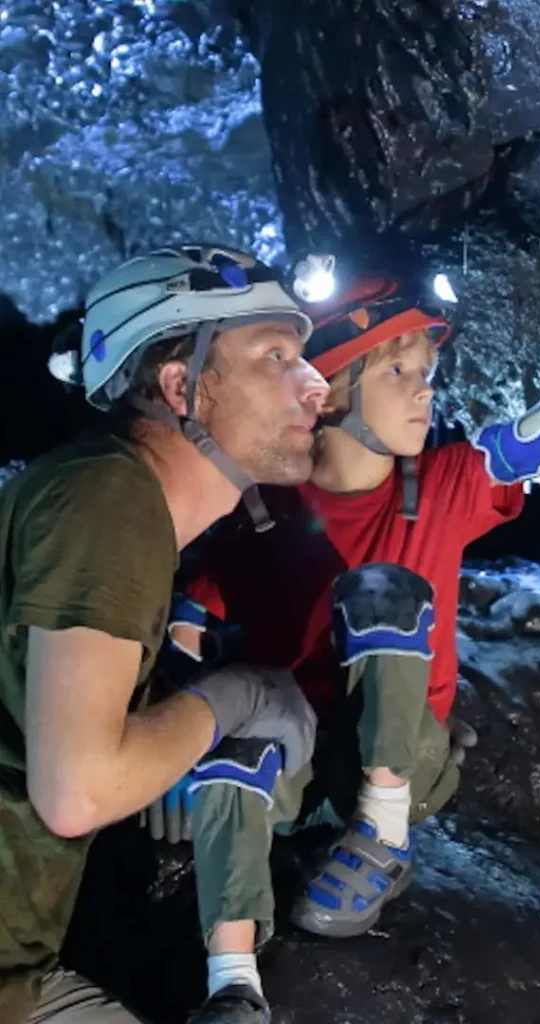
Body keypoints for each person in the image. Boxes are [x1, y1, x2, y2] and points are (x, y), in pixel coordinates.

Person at [166, 269, 540, 1021]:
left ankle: (382, 836)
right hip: (299, 759)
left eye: (428, 374)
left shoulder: (440, 486)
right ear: (334, 388)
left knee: (381, 589)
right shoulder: (267, 510)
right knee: (237, 739)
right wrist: (171, 735)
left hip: (400, 758)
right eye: (398, 371)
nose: (424, 391)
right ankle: (233, 986)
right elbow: (193, 606)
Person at [0, 244, 330, 1024]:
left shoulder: (110, 501)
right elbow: (78, 790)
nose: (315, 385)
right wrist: (245, 693)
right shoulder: (108, 497)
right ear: (182, 386)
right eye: (275, 357)